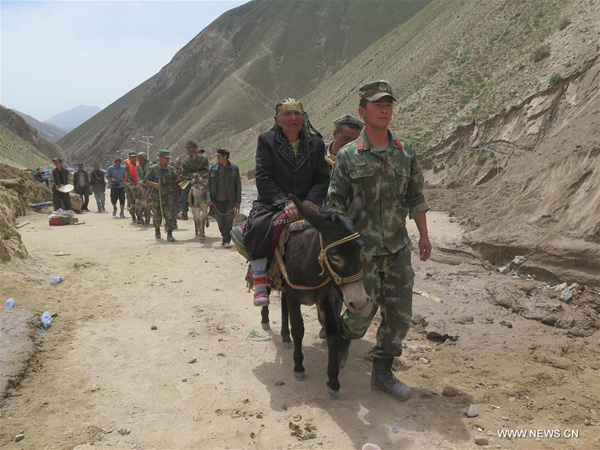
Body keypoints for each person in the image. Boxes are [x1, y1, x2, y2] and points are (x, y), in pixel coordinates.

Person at [327, 80, 432, 401]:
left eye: (388, 104)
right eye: (377, 104)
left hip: (398, 247)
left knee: (400, 313)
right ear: (363, 111)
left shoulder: (406, 151)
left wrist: (425, 235)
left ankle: (383, 370)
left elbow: (416, 197)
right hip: (363, 253)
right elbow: (335, 204)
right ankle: (342, 337)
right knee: (360, 314)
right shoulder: (347, 156)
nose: (385, 109)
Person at [243, 98, 330, 306]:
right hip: (273, 203)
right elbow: (263, 177)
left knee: (336, 229)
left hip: (308, 204)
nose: (293, 118)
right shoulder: (266, 140)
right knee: (257, 227)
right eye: (287, 114)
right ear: (278, 119)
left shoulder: (316, 143)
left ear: (304, 117)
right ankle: (261, 280)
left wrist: (310, 201)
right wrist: (284, 202)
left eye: (297, 113)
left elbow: (321, 177)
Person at [144, 150, 180, 242]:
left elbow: (177, 179)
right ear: (160, 158)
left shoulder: (171, 169)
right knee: (157, 214)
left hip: (168, 195)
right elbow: (145, 180)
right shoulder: (153, 169)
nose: (167, 160)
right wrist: (154, 184)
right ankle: (157, 229)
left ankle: (169, 233)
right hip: (157, 195)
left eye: (168, 158)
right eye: (165, 158)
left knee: (169, 214)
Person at [208, 149, 241, 248]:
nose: (217, 158)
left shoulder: (234, 168)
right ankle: (224, 236)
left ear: (225, 157)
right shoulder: (213, 169)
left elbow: (238, 186)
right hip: (217, 201)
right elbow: (208, 186)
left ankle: (226, 240)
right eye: (217, 156)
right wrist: (209, 198)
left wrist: (238, 201)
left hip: (230, 200)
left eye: (219, 156)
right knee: (220, 222)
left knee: (229, 221)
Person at [179, 140, 209, 220]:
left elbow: (206, 170)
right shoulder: (185, 161)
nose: (188, 150)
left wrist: (200, 174)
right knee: (184, 191)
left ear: (195, 148)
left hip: (202, 178)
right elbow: (184, 173)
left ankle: (212, 209)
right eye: (187, 148)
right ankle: (184, 211)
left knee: (210, 187)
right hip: (190, 179)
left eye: (190, 148)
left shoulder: (203, 159)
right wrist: (192, 175)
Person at [124, 151, 138, 223]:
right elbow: (128, 177)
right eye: (132, 157)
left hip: (139, 184)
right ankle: (133, 216)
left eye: (135, 157)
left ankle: (139, 216)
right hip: (130, 185)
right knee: (131, 200)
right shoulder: (127, 166)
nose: (134, 158)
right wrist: (133, 184)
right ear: (129, 158)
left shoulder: (138, 165)